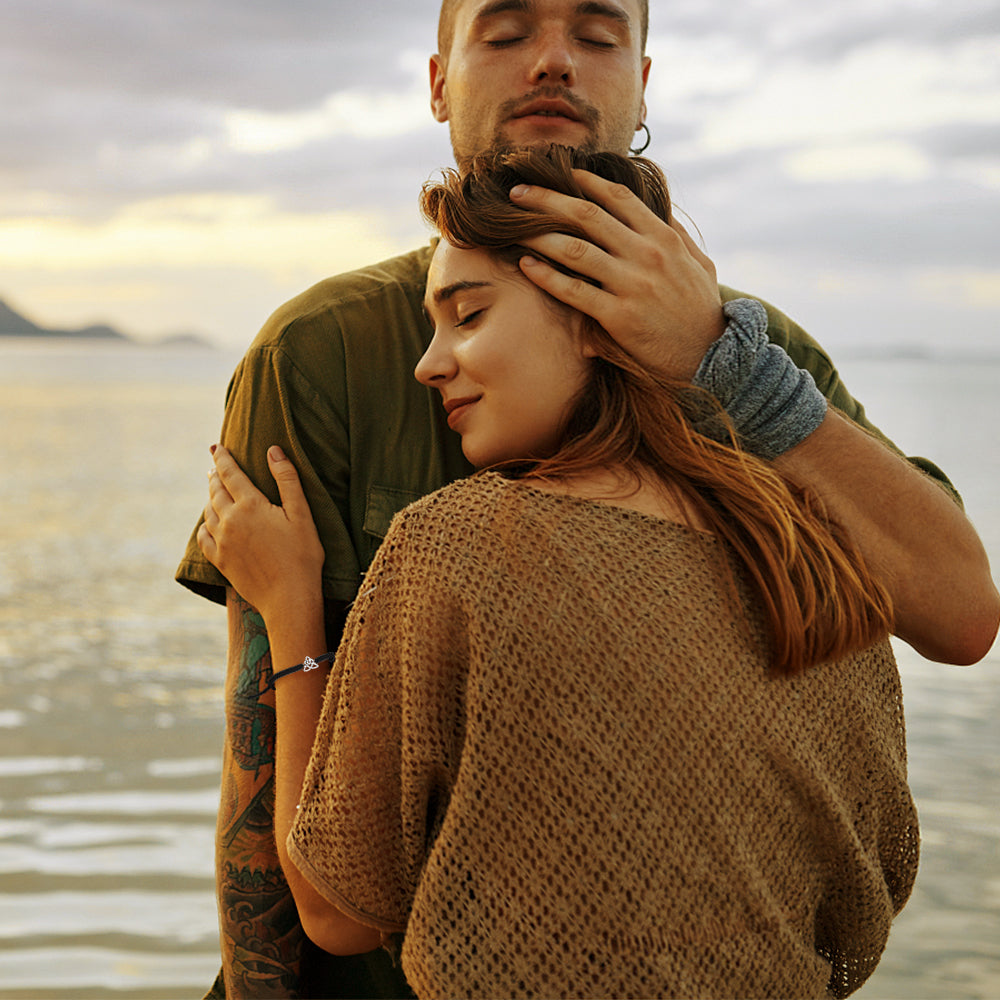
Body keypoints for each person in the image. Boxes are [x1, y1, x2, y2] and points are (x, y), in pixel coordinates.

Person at [177, 1, 999, 996]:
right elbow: (256, 792)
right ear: (438, 82)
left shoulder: (755, 353)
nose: (556, 61)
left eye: (598, 36)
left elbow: (957, 615)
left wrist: (716, 358)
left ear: (644, 80)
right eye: (507, 30)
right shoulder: (323, 349)